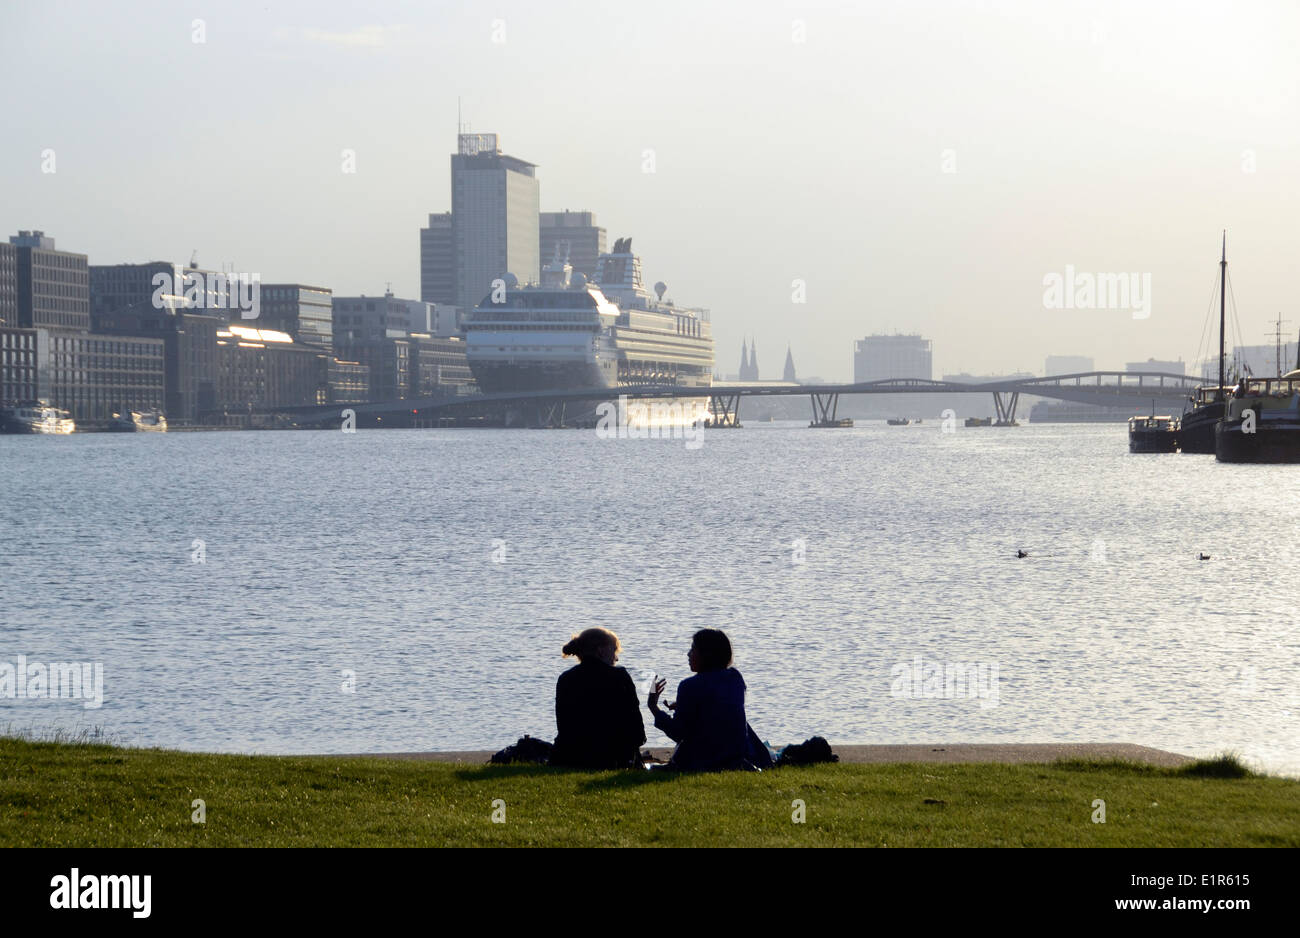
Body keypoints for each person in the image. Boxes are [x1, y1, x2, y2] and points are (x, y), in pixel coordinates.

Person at [648, 629, 752, 771]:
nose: (688, 654)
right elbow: (718, 710)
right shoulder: (735, 678)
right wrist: (685, 707)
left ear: (706, 654)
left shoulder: (689, 685)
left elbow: (678, 733)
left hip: (703, 762)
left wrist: (654, 707)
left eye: (692, 649)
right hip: (735, 758)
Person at [550, 627, 645, 769]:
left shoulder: (565, 679)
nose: (616, 658)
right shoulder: (619, 676)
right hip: (611, 757)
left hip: (570, 756)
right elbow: (636, 729)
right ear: (600, 650)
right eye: (614, 650)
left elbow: (563, 725)